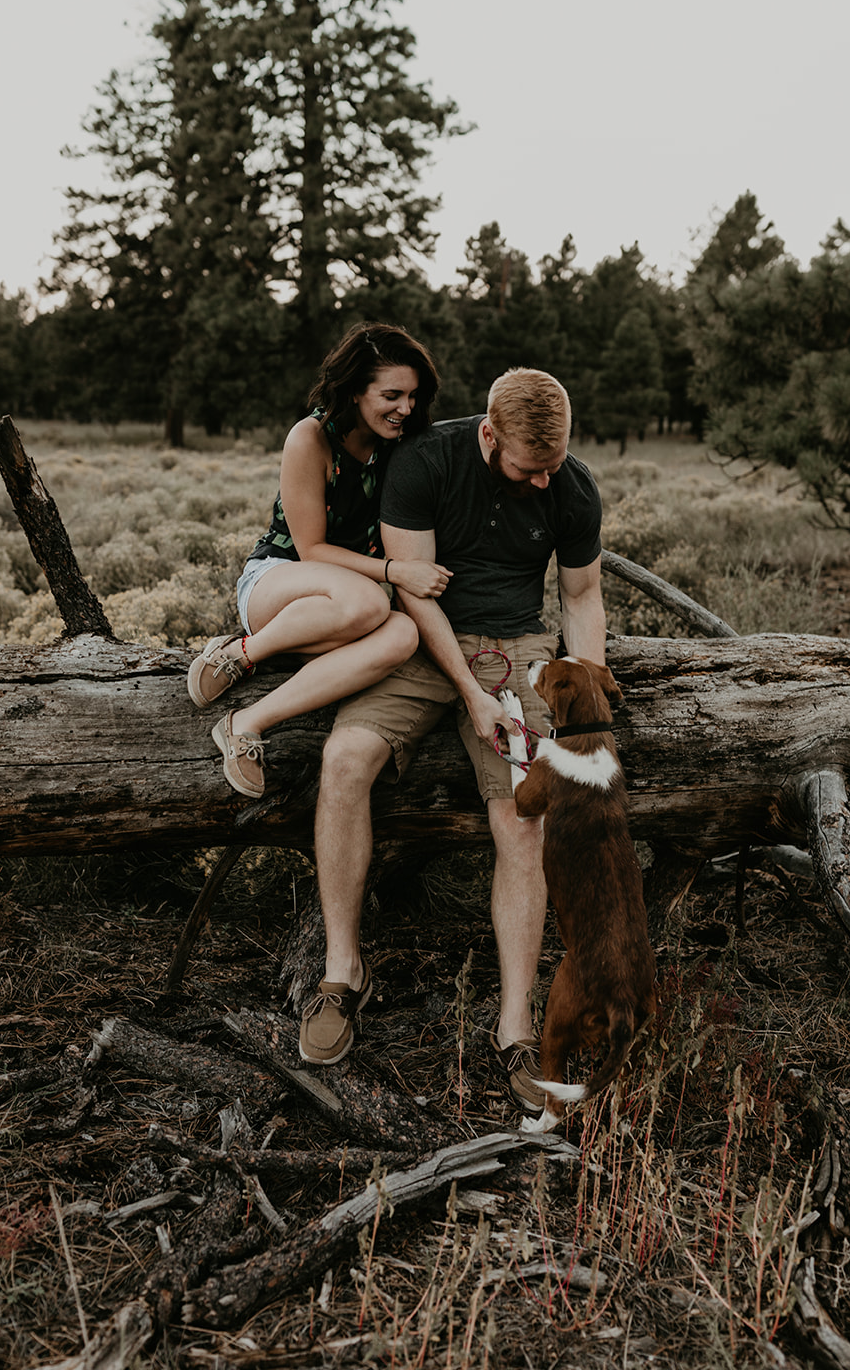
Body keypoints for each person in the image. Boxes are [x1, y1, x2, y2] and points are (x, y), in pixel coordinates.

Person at [299, 367, 606, 1113]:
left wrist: (585, 692)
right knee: (343, 760)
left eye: (552, 467)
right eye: (527, 468)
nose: (542, 482)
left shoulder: (569, 483)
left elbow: (580, 594)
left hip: (519, 650)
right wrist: (469, 694)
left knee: (521, 818)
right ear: (489, 434)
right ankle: (341, 974)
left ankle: (515, 1028)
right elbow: (411, 591)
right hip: (422, 643)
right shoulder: (426, 459)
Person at [187, 322, 451, 797]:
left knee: (404, 635)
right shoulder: (310, 438)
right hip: (279, 582)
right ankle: (238, 654)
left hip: (339, 613)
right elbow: (313, 551)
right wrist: (397, 571)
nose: (405, 409)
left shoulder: (402, 447)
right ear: (353, 390)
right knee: (371, 604)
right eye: (392, 395)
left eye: (412, 397)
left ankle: (247, 723)